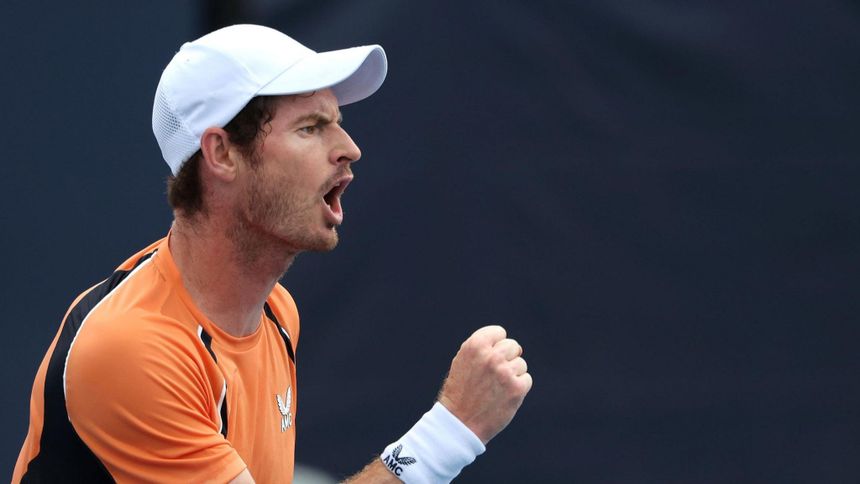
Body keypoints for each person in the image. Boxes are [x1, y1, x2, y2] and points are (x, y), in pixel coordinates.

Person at [13, 24, 532, 483]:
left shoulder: (276, 312)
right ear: (221, 154)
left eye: (337, 121)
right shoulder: (133, 350)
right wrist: (449, 433)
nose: (349, 147)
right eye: (310, 127)